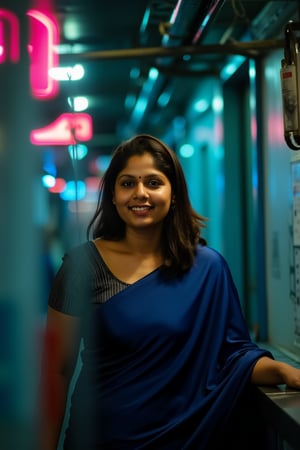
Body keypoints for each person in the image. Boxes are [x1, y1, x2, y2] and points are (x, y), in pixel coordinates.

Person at [39, 134, 300, 450]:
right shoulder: (82, 266)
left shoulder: (207, 268)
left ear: (174, 194)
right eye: (127, 184)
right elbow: (56, 369)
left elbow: (234, 357)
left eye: (153, 182)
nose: (140, 194)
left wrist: (284, 370)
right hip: (103, 437)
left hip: (188, 439)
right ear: (112, 194)